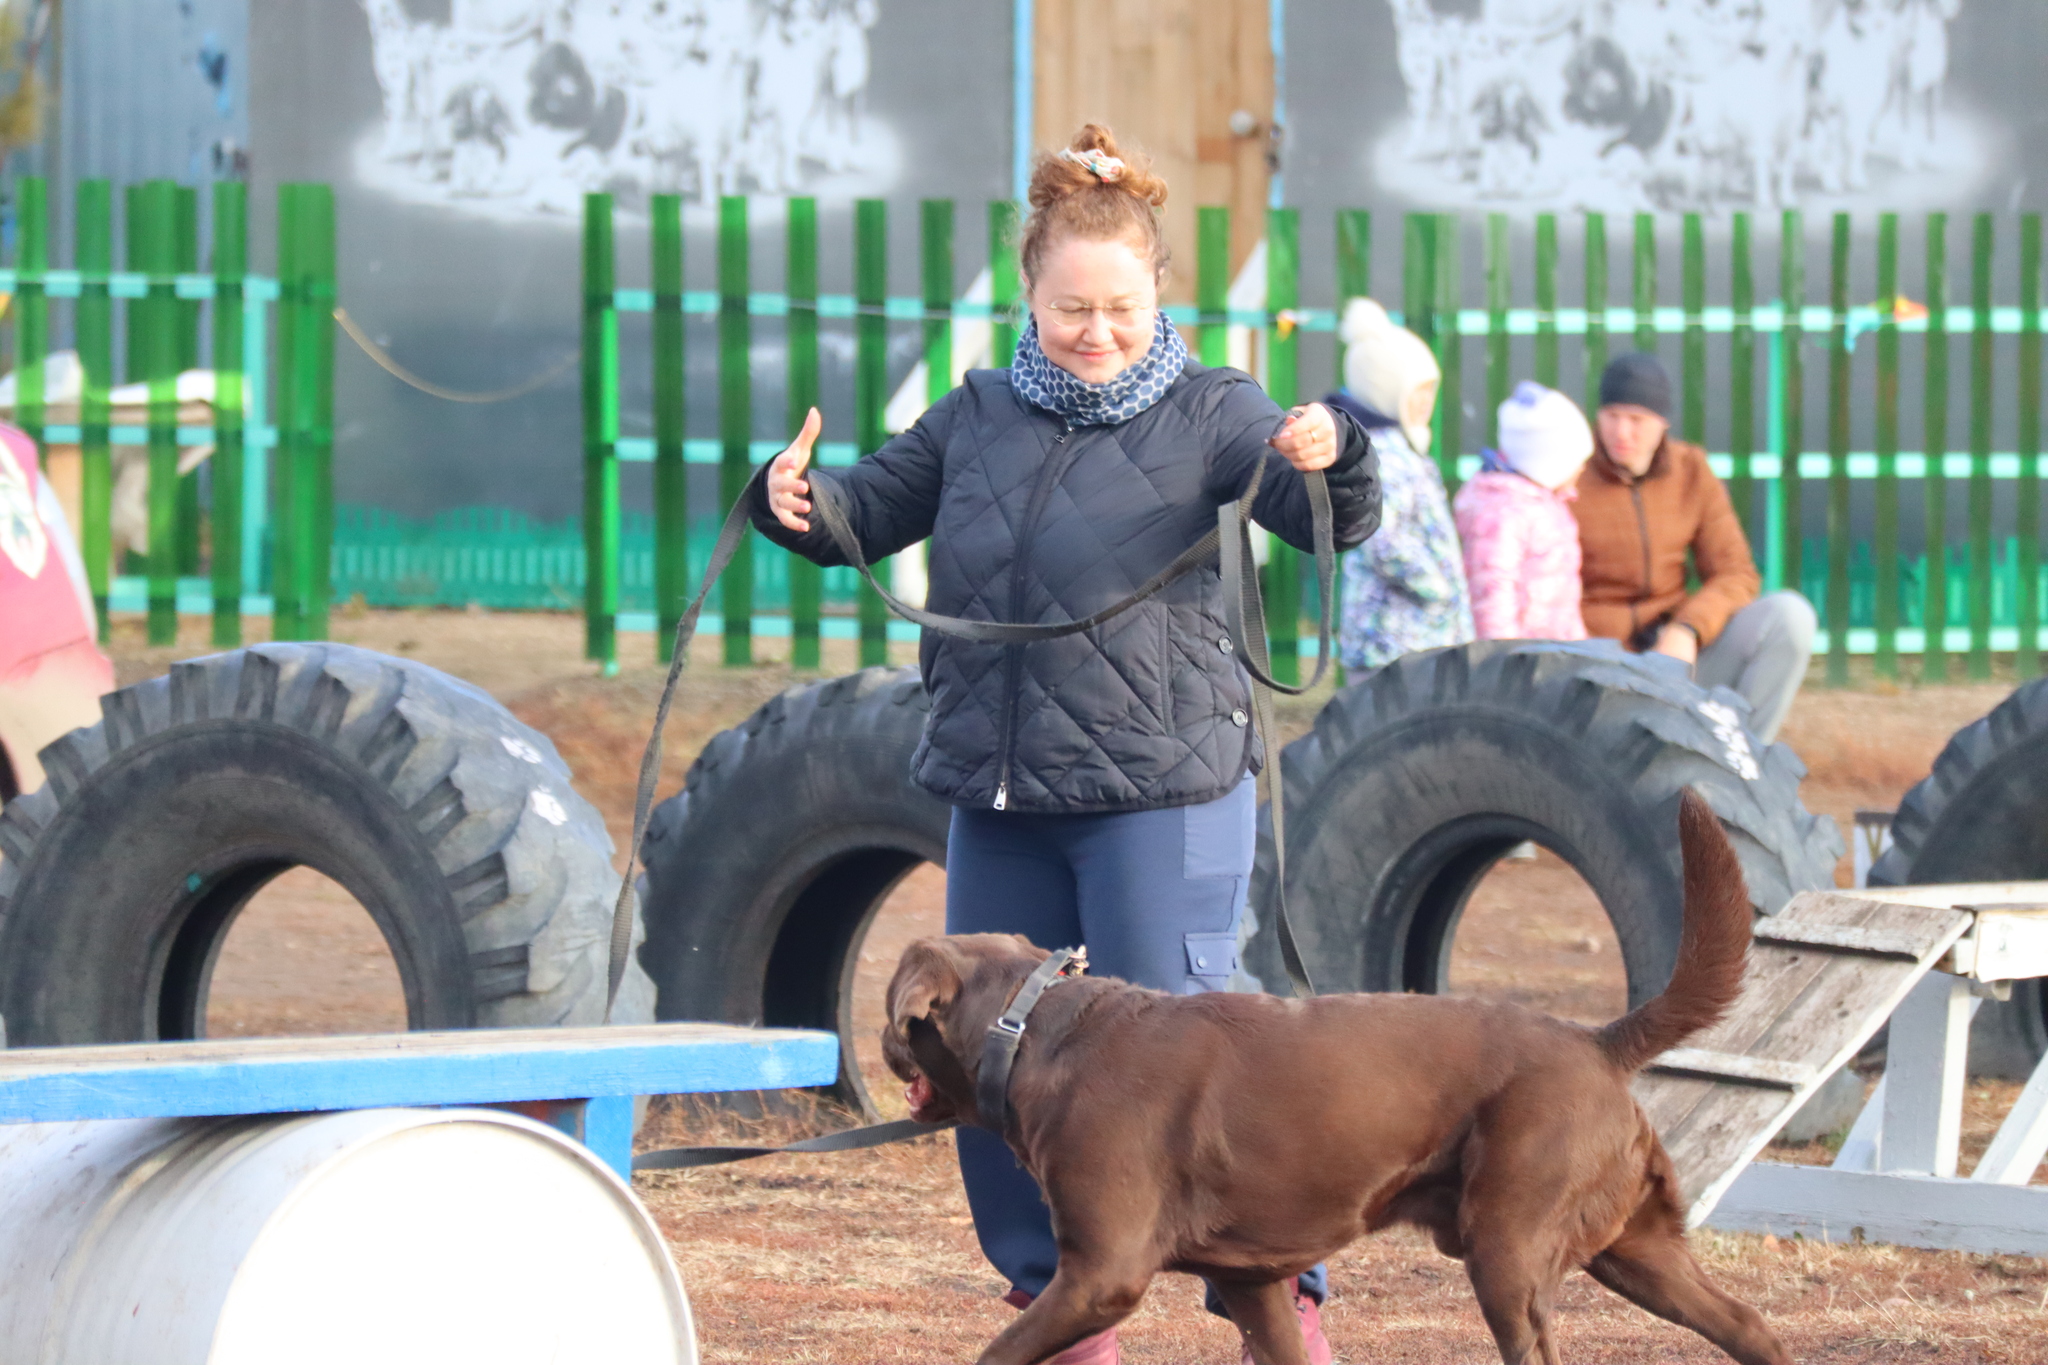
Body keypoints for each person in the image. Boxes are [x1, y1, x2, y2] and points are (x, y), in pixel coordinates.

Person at [753, 125, 1380, 1365]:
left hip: (1162, 794)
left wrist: (1336, 455)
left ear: (1159, 299)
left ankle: (1276, 1305)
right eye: (1069, 308)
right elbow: (869, 507)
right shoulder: (977, 408)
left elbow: (1328, 522)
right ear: (1029, 299)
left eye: (1122, 309)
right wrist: (800, 505)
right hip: (998, 795)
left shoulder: (1216, 410)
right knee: (990, 1057)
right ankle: (1053, 1311)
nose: (1096, 332)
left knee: (1199, 1063)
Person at [1576, 352, 1815, 743]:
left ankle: (1739, 763)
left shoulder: (1691, 472)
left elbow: (1736, 572)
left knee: (1790, 617)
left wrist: (1687, 629)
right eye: (1611, 415)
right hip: (1599, 663)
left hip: (1677, 655)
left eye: (1636, 420)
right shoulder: (1570, 473)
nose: (1622, 432)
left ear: (1662, 423)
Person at [1325, 298, 1473, 671]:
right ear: (1385, 391)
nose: (1428, 402)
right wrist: (1438, 589)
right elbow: (1383, 538)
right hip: (1396, 639)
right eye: (1417, 391)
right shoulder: (1383, 458)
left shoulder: (1397, 450)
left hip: (1410, 637)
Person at [1454, 381, 1593, 641]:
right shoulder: (1503, 516)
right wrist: (1503, 663)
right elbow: (1493, 601)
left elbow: (1564, 599)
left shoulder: (1549, 505)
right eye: (1577, 461)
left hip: (1553, 655)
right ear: (1550, 463)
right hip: (1522, 664)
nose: (1583, 468)